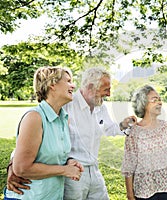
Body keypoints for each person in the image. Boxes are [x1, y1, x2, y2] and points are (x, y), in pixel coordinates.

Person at [6, 67, 135, 200]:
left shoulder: (95, 108)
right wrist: (13, 164)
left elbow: (109, 128)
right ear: (91, 87)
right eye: (106, 89)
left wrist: (124, 125)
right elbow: (27, 140)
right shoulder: (64, 105)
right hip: (70, 175)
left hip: (92, 169)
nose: (108, 94)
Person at [4, 66, 84, 200]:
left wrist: (69, 162)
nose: (73, 85)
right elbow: (22, 168)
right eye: (68, 81)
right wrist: (64, 170)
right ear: (52, 84)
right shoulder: (34, 117)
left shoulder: (64, 119)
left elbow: (51, 154)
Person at [121, 85, 167, 200]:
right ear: (143, 104)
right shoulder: (134, 132)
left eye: (159, 99)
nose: (159, 103)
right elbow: (128, 167)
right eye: (154, 100)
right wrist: (130, 195)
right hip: (144, 191)